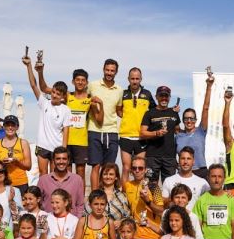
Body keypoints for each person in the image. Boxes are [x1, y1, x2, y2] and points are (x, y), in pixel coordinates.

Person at [38, 66, 101, 187]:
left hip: (81, 141)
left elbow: (99, 119)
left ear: (86, 82)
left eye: (83, 80)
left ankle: (80, 203)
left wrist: (100, 105)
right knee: (66, 173)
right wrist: (40, 72)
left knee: (80, 173)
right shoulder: (67, 96)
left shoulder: (89, 99)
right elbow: (44, 88)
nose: (80, 82)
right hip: (65, 141)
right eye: (77, 79)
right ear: (73, 81)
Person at [23, 54, 71, 175]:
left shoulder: (66, 109)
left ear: (63, 96)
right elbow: (33, 85)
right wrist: (29, 66)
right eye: (53, 92)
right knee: (43, 174)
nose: (54, 95)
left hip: (57, 147)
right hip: (43, 146)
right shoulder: (44, 103)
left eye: (58, 94)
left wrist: (63, 149)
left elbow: (66, 131)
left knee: (55, 174)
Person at [87, 59, 123, 190]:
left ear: (116, 72)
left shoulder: (119, 90)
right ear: (103, 69)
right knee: (95, 166)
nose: (109, 73)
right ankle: (94, 196)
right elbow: (83, 101)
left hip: (112, 131)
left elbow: (120, 110)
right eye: (107, 70)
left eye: (112, 70)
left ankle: (107, 196)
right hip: (94, 130)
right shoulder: (92, 85)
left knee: (108, 168)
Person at [119, 67, 156, 184]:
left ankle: (140, 197)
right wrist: (128, 119)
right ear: (128, 79)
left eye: (137, 79)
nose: (135, 81)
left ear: (141, 79)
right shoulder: (123, 94)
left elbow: (155, 111)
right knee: (126, 168)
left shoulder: (147, 94)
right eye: (132, 78)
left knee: (140, 170)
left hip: (142, 137)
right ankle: (124, 197)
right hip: (126, 136)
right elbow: (118, 110)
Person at [140, 86, 181, 183]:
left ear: (169, 97)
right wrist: (156, 133)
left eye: (166, 96)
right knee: (151, 185)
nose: (164, 98)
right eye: (161, 96)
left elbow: (178, 131)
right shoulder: (149, 113)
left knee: (169, 186)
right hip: (152, 156)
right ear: (156, 97)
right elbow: (142, 133)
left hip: (170, 157)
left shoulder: (174, 113)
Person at [176, 74, 213, 180]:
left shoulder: (201, 131)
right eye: (186, 118)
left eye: (192, 118)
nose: (189, 121)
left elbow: (205, 108)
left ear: (196, 120)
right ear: (183, 121)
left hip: (201, 172)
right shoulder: (178, 135)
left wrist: (209, 86)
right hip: (183, 173)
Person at [37, 146, 84, 218]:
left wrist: (76, 222)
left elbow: (80, 205)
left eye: (64, 159)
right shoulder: (43, 180)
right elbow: (38, 203)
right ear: (53, 161)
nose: (61, 162)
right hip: (49, 224)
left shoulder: (77, 180)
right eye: (58, 159)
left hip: (71, 225)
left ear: (68, 161)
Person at [0, 115, 32, 194]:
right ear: (4, 127)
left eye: (13, 125)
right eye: (7, 125)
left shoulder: (23, 143)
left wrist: (16, 162)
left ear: (17, 127)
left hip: (20, 182)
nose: (10, 127)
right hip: (1, 182)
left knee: (20, 206)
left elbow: (28, 166)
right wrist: (1, 163)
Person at [84, 163, 131, 230]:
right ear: (101, 177)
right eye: (105, 174)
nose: (108, 177)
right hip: (97, 233)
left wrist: (121, 222)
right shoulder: (95, 195)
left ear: (116, 177)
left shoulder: (122, 196)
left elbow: (128, 216)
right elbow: (85, 215)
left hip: (117, 234)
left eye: (111, 174)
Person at [162, 146, 210, 210]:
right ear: (178, 161)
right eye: (183, 158)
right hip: (175, 219)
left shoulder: (202, 182)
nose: (185, 162)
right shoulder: (168, 181)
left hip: (194, 219)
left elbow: (211, 199)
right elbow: (163, 204)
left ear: (193, 161)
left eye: (188, 159)